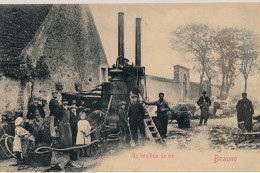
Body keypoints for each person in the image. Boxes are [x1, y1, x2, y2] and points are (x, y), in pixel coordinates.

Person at [54, 98, 73, 171]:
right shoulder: (60, 108)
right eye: (64, 101)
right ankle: (62, 150)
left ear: (68, 102)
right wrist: (56, 125)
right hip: (62, 124)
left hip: (68, 124)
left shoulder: (68, 108)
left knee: (69, 137)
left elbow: (70, 117)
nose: (65, 102)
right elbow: (56, 117)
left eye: (66, 101)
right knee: (62, 137)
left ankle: (68, 150)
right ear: (62, 102)